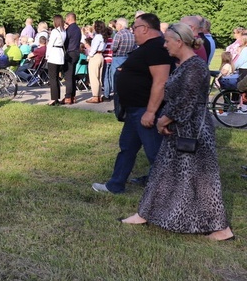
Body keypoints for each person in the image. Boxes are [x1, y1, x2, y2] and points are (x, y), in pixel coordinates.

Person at [120, 23, 234, 241]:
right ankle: (144, 214)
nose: (165, 45)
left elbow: (186, 100)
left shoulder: (196, 66)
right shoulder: (184, 64)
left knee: (203, 181)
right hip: (179, 129)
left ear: (179, 41)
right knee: (162, 173)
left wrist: (163, 119)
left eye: (167, 41)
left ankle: (222, 229)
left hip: (194, 132)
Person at [93, 13, 172, 194]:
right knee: (127, 148)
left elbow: (161, 82)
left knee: (156, 153)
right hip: (135, 110)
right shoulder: (146, 47)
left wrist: (151, 112)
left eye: (135, 28)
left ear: (145, 28)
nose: (132, 31)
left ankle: (168, 193)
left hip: (146, 111)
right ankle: (115, 184)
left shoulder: (156, 48)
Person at [46, 15, 66, 106]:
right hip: (60, 54)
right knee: (56, 78)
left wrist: (47, 55)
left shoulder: (55, 31)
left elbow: (50, 44)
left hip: (54, 54)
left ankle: (54, 98)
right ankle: (56, 97)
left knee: (53, 78)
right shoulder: (63, 31)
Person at [86, 20, 107, 103]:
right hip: (101, 55)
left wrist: (89, 56)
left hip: (95, 56)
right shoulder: (103, 36)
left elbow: (94, 48)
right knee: (99, 77)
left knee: (94, 77)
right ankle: (99, 95)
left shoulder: (97, 36)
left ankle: (95, 96)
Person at [63, 12, 82, 105]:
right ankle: (73, 96)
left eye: (66, 19)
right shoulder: (78, 29)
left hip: (70, 53)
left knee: (68, 76)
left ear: (69, 19)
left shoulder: (69, 29)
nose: (65, 21)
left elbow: (66, 41)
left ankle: (68, 97)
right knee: (72, 75)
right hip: (76, 53)